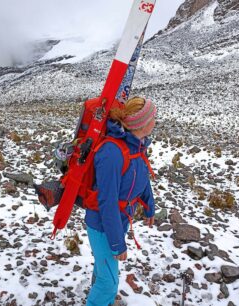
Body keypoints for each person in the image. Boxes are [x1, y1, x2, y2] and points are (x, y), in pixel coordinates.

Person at [85, 97, 156, 306]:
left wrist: (149, 207)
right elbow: (106, 202)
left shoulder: (138, 146)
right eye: (153, 117)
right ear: (141, 124)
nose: (156, 120)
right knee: (109, 282)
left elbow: (142, 177)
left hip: (118, 221)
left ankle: (99, 298)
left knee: (103, 269)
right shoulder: (112, 153)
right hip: (101, 225)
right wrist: (117, 244)